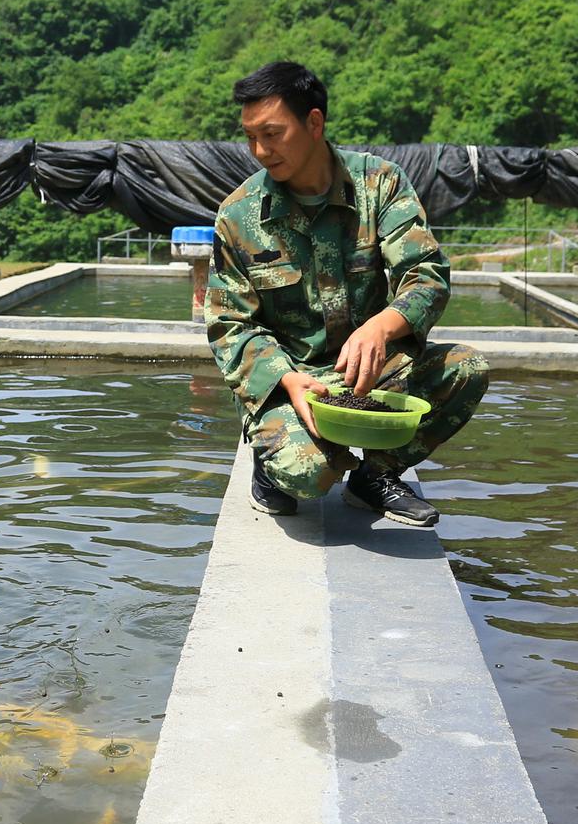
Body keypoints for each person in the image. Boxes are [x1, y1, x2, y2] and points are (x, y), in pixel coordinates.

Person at [203, 61, 488, 527]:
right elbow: (228, 324)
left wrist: (382, 327)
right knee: (311, 475)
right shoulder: (239, 214)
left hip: (371, 371)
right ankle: (273, 462)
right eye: (251, 136)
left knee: (466, 369)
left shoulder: (381, 185)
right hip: (291, 380)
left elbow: (426, 273)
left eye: (272, 133)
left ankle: (376, 474)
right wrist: (288, 382)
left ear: (314, 123)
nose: (259, 150)